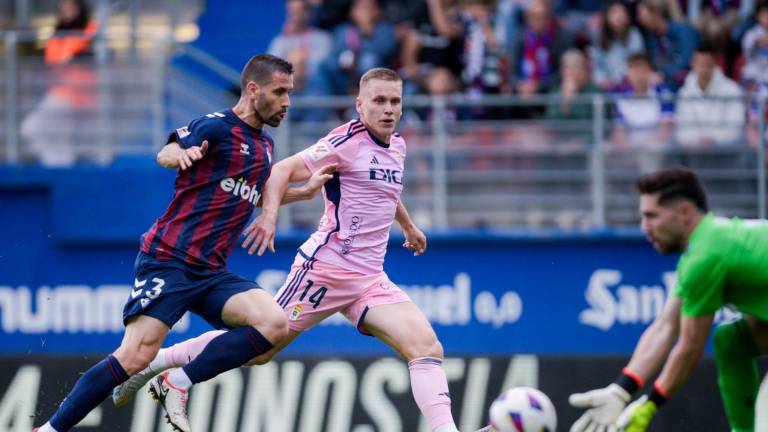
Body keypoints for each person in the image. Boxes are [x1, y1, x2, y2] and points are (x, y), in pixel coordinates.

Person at [113, 67, 468, 432]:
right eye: (379, 101)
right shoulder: (343, 142)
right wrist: (268, 218)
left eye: (395, 101)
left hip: (369, 278)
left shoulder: (398, 145)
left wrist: (408, 226)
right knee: (261, 349)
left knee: (426, 346)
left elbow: (385, 191)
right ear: (360, 106)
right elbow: (280, 170)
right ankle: (158, 362)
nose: (388, 109)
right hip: (325, 270)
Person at [33, 54, 334, 432]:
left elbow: (250, 193)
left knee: (274, 324)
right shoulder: (216, 126)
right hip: (170, 259)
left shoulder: (266, 146)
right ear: (253, 90)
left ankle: (177, 380)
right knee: (134, 355)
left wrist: (301, 193)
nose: (287, 101)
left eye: (290, 92)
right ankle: (48, 430)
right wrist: (181, 154)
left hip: (211, 271)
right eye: (280, 92)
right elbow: (167, 151)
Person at [568, 166, 768, 432]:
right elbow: (665, 326)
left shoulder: (705, 258)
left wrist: (650, 404)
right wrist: (621, 390)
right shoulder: (704, 247)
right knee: (731, 343)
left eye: (652, 216)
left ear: (684, 212)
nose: (644, 227)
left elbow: (690, 347)